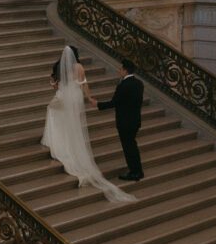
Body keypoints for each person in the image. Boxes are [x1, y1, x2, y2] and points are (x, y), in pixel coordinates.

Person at [42, 46, 133, 204]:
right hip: (76, 97)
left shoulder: (61, 68)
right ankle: (71, 141)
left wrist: (53, 84)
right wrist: (90, 98)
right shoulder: (79, 67)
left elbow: (56, 85)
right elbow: (84, 84)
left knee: (53, 111)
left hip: (64, 96)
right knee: (73, 122)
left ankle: (57, 141)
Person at [93, 58, 144, 181]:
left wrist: (98, 104)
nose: (119, 71)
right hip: (135, 120)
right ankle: (138, 170)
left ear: (125, 70)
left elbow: (114, 102)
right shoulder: (139, 83)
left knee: (128, 148)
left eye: (120, 69)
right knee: (132, 145)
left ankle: (134, 172)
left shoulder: (123, 85)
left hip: (125, 122)